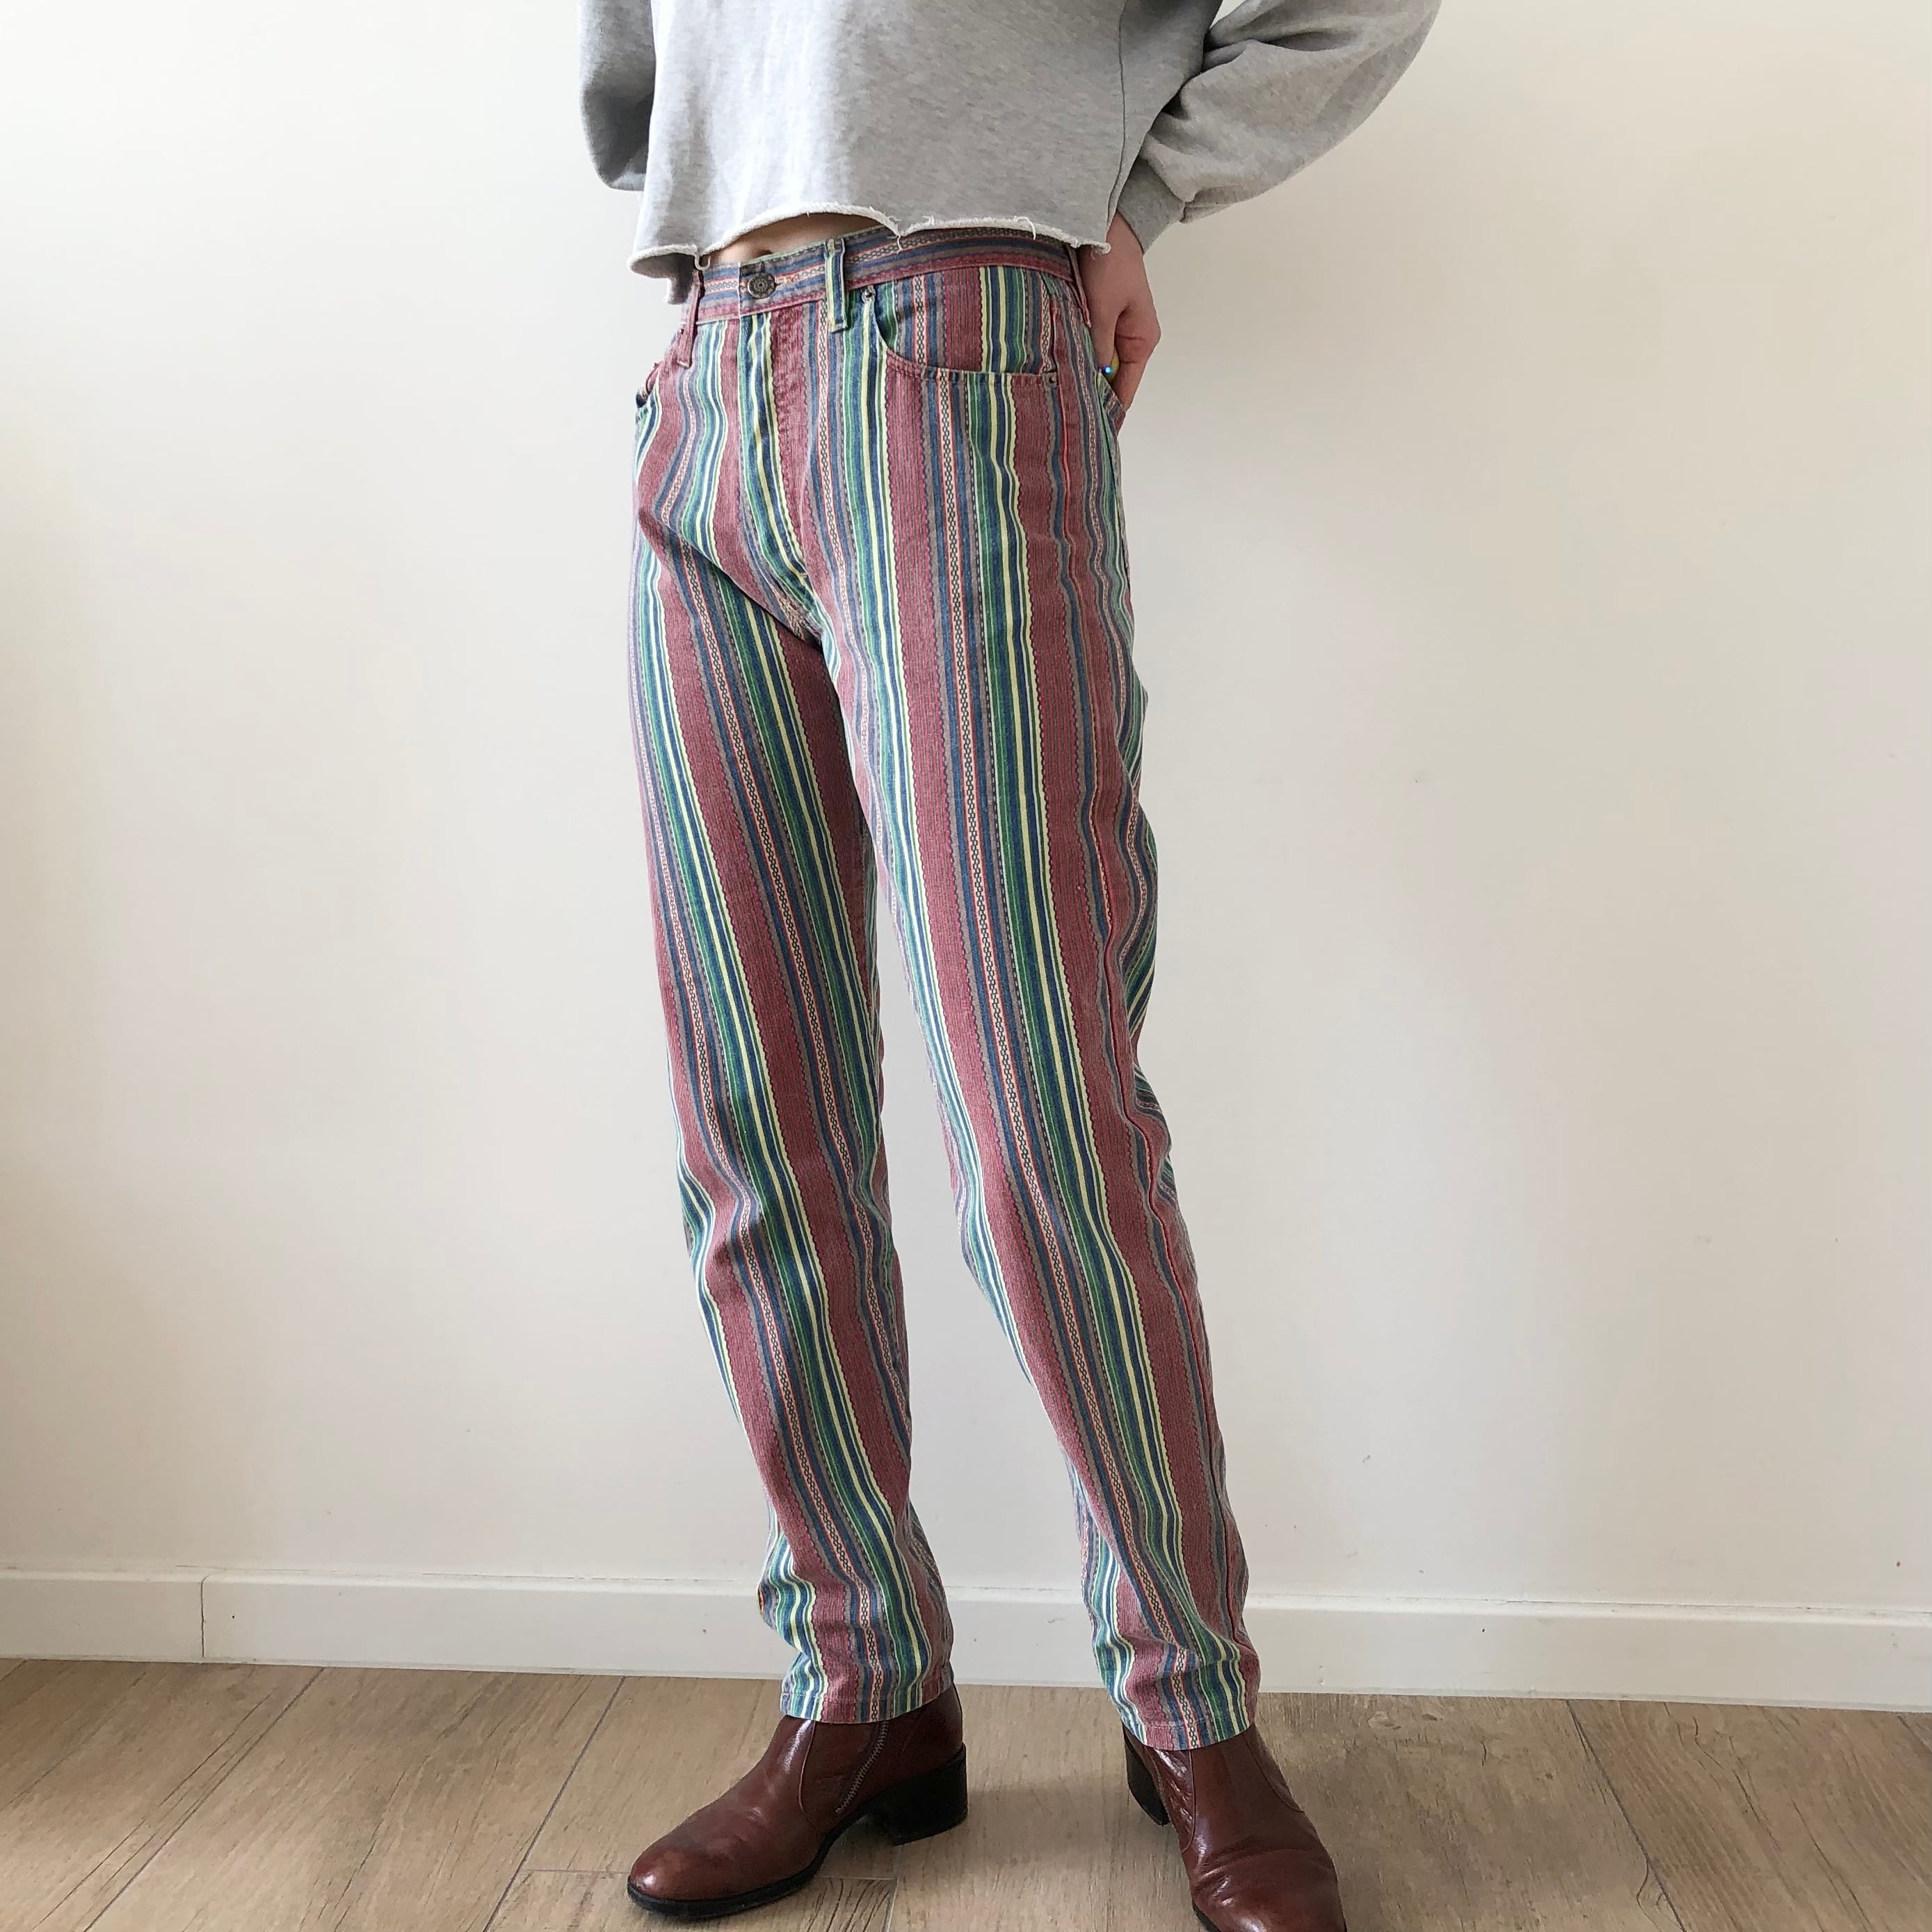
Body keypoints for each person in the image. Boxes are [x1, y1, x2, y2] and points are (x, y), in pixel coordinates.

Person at [577, 3, 1438, 1925]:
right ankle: (863, 1682)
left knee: (1041, 1113)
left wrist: (1136, 196)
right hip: (705, 366)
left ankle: (1190, 1705)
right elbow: (640, 67)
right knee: (752, 1116)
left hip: (961, 341)